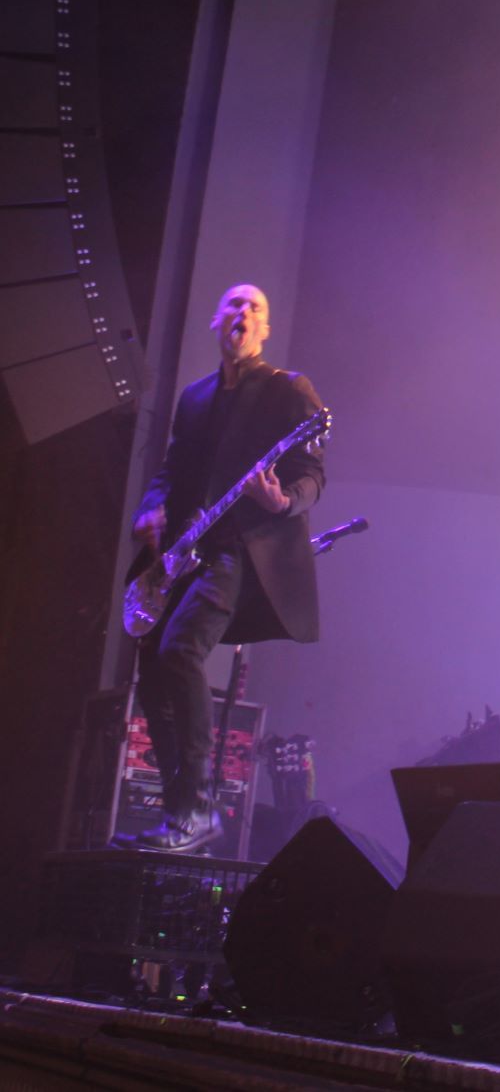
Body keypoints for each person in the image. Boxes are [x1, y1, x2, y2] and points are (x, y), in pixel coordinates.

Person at [126, 283, 325, 851]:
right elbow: (172, 469)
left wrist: (282, 501)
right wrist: (151, 508)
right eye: (235, 304)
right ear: (218, 320)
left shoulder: (289, 390)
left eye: (255, 307)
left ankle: (199, 807)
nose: (244, 312)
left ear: (265, 329)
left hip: (240, 548)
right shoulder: (195, 397)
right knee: (152, 671)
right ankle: (180, 813)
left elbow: (313, 474)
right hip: (184, 550)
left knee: (181, 650)